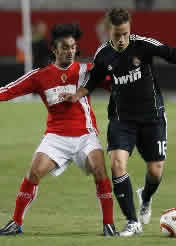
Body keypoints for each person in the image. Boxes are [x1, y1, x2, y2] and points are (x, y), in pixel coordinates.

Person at [60, 8, 176, 237]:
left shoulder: (143, 45)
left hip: (153, 117)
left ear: (129, 29)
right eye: (116, 35)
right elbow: (93, 81)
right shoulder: (103, 54)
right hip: (122, 120)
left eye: (124, 34)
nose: (121, 40)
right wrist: (77, 95)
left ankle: (146, 198)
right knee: (117, 165)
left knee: (156, 170)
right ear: (108, 30)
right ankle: (132, 222)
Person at [0, 24, 118, 236]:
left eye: (73, 47)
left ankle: (108, 224)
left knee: (100, 169)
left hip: (85, 134)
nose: (70, 51)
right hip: (56, 136)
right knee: (33, 172)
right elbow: (8, 91)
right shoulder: (40, 76)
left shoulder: (86, 71)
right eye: (65, 47)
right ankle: (16, 222)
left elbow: (115, 83)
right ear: (54, 50)